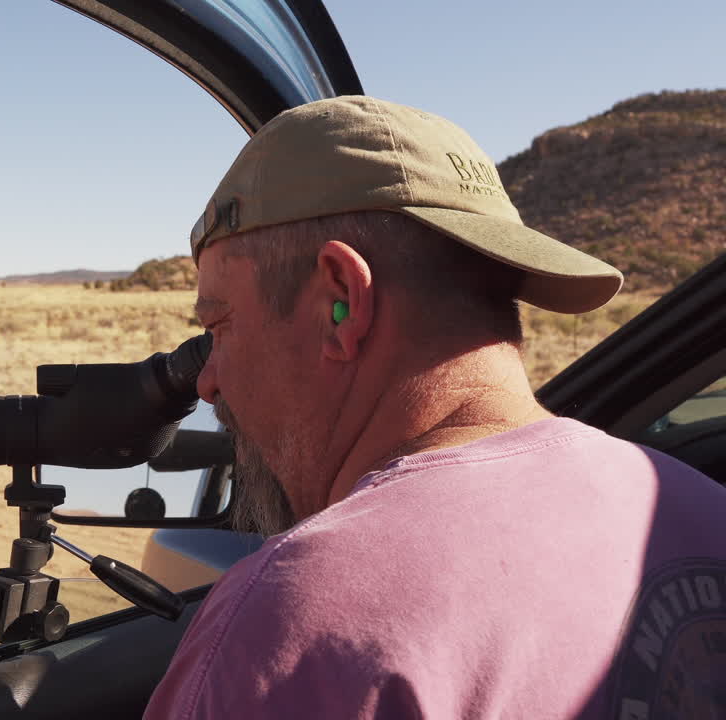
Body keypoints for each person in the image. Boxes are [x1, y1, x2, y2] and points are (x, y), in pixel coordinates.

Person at [144, 96, 726, 719]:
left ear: (339, 303)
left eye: (221, 325)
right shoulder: (702, 510)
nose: (206, 380)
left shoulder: (291, 629)